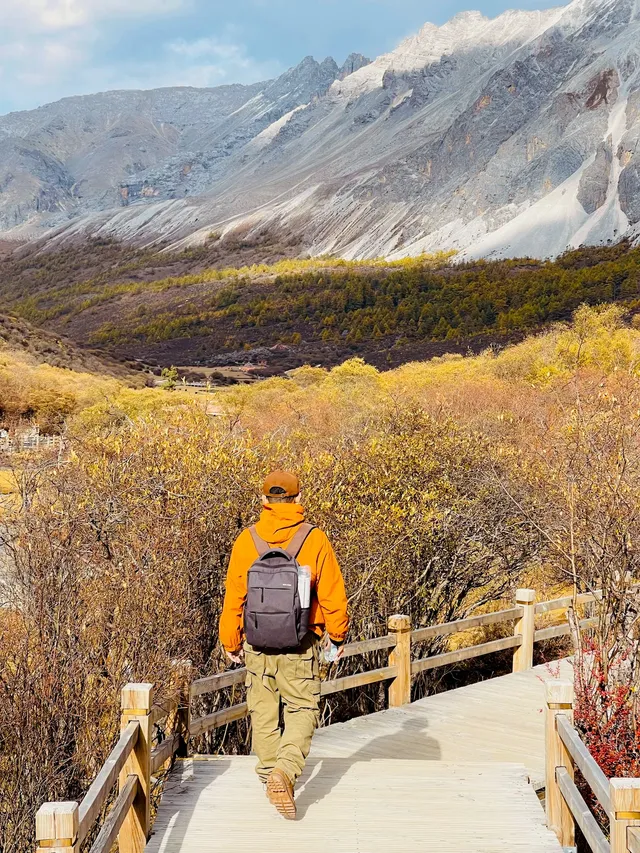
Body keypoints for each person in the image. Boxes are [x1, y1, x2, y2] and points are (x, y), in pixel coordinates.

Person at [219, 470, 349, 820]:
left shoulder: (246, 540)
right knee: (302, 708)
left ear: (264, 500)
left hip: (258, 643)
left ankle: (269, 776)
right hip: (300, 643)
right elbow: (333, 595)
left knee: (262, 712)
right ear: (298, 498)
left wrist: (230, 639)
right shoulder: (314, 539)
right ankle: (285, 772)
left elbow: (234, 597)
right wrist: (337, 636)